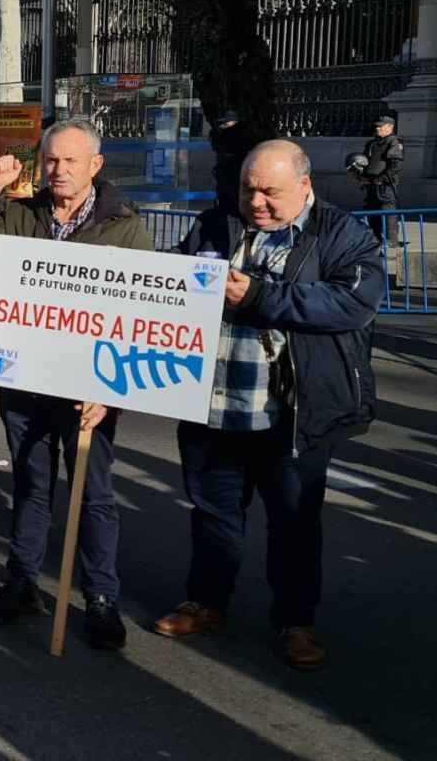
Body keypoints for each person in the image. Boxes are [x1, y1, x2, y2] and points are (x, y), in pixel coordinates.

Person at [156, 140, 381, 671]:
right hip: (214, 408)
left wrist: (257, 297)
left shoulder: (343, 234)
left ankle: (296, 622)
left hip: (292, 416)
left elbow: (351, 303)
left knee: (294, 526)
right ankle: (206, 603)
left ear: (304, 186)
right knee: (213, 515)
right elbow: (173, 276)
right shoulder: (215, 225)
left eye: (269, 192)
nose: (255, 202)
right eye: (247, 190)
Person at [0, 119, 151, 650]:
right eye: (51, 160)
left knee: (94, 494)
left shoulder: (124, 227)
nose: (59, 170)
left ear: (96, 166)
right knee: (31, 486)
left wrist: (109, 391)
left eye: (71, 161)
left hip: (89, 390)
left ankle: (100, 595)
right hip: (26, 382)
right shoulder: (22, 213)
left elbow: (139, 314)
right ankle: (21, 580)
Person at [353, 114, 403, 244]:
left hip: (385, 185)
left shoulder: (393, 142)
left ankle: (391, 240)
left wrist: (382, 178)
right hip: (371, 183)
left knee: (387, 211)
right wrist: (361, 175)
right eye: (376, 126)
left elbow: (395, 165)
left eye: (381, 126)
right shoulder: (372, 143)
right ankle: (376, 238)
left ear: (390, 127)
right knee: (371, 209)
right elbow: (365, 162)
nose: (377, 128)